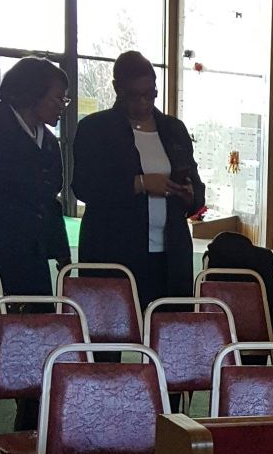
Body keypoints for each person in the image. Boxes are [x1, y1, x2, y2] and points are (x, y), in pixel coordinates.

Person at [72, 51, 205, 308]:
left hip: (170, 254)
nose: (144, 102)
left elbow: (196, 184)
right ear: (117, 89)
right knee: (113, 327)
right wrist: (140, 184)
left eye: (150, 94)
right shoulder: (95, 128)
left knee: (169, 326)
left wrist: (190, 195)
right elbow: (84, 186)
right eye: (135, 95)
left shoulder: (174, 129)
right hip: (113, 251)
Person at [0, 57, 72, 296]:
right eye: (58, 98)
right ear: (33, 94)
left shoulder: (49, 142)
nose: (62, 106)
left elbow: (49, 200)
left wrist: (60, 249)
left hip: (33, 257)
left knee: (37, 317)